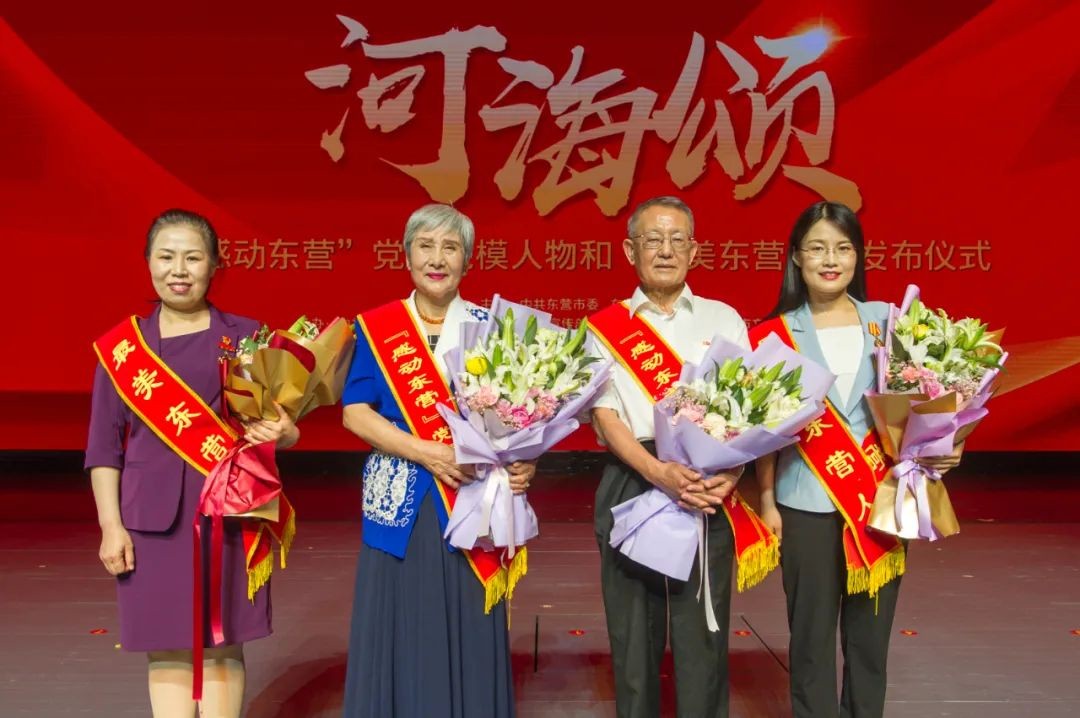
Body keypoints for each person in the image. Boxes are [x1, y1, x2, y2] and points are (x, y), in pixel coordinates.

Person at [86, 209, 298, 717]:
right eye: (166, 257)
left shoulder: (247, 338)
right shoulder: (123, 351)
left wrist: (285, 433)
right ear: (148, 263)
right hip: (150, 521)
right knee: (165, 646)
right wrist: (111, 527)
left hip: (230, 512)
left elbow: (283, 427)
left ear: (214, 265)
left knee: (224, 644)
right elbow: (103, 448)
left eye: (192, 258)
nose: (178, 270)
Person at [753, 201, 962, 718]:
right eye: (817, 248)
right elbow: (762, 434)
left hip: (880, 502)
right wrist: (767, 501)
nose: (831, 260)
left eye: (843, 248)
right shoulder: (774, 335)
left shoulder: (889, 322)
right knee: (810, 640)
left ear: (858, 256)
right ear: (796, 257)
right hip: (803, 503)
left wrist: (943, 447)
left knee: (870, 642)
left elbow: (925, 400)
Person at [341, 203, 534, 718]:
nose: (437, 258)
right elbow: (355, 414)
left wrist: (525, 461)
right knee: (400, 620)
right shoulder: (377, 328)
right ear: (406, 256)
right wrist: (426, 451)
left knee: (470, 615)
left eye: (450, 247)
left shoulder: (494, 327)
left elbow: (523, 412)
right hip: (402, 495)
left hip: (472, 495)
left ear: (467, 260)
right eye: (425, 246)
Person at [586, 196, 750, 718]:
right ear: (629, 250)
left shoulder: (724, 319)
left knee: (702, 638)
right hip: (633, 475)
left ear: (694, 251)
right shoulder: (603, 328)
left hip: (706, 484)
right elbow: (606, 417)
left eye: (677, 240)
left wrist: (730, 474)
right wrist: (658, 472)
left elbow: (750, 409)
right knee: (633, 639)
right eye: (652, 239)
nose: (665, 250)